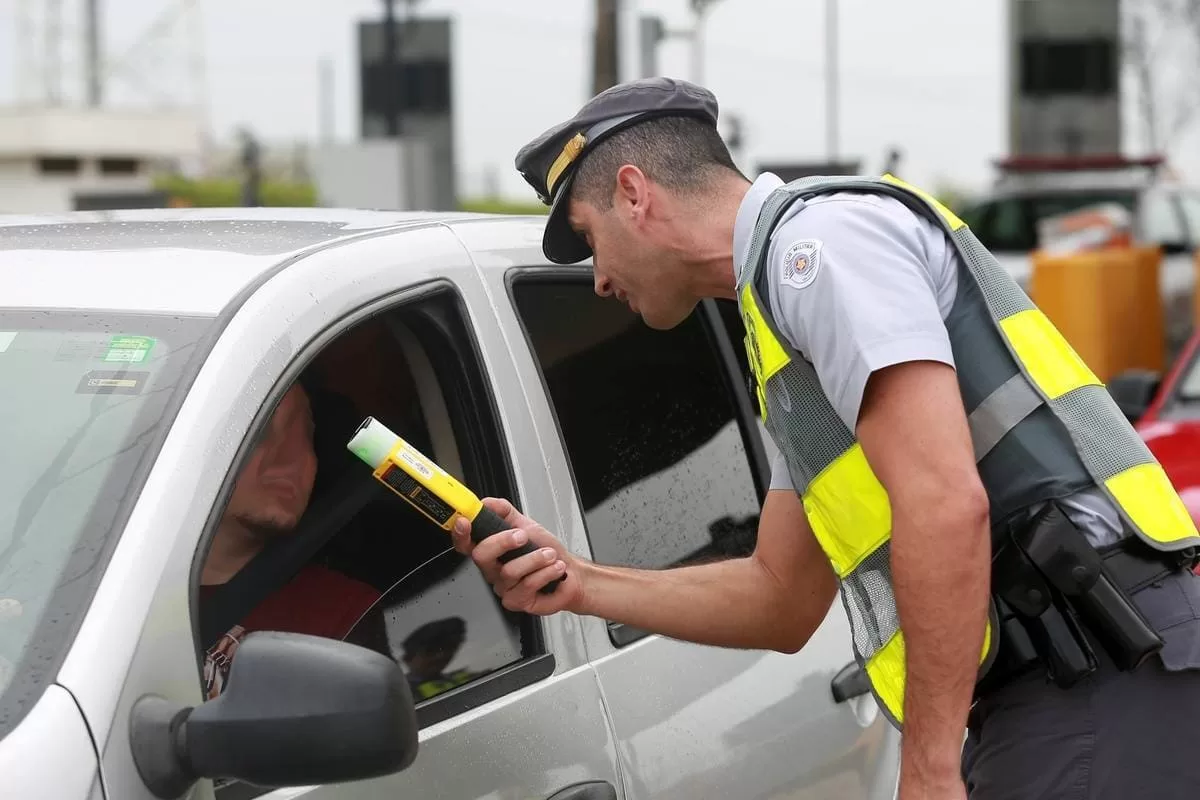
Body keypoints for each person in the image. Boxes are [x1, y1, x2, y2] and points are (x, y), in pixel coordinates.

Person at [452, 77, 1200, 800]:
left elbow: (942, 504)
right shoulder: (784, 337)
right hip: (1083, 680)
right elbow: (781, 597)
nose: (599, 281)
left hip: (1097, 671)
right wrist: (579, 583)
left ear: (635, 193)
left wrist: (933, 769)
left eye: (588, 239)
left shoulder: (818, 252)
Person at [199, 382, 381, 699]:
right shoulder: (115, 597)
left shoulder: (346, 615)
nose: (292, 459)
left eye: (307, 436)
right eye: (259, 432)